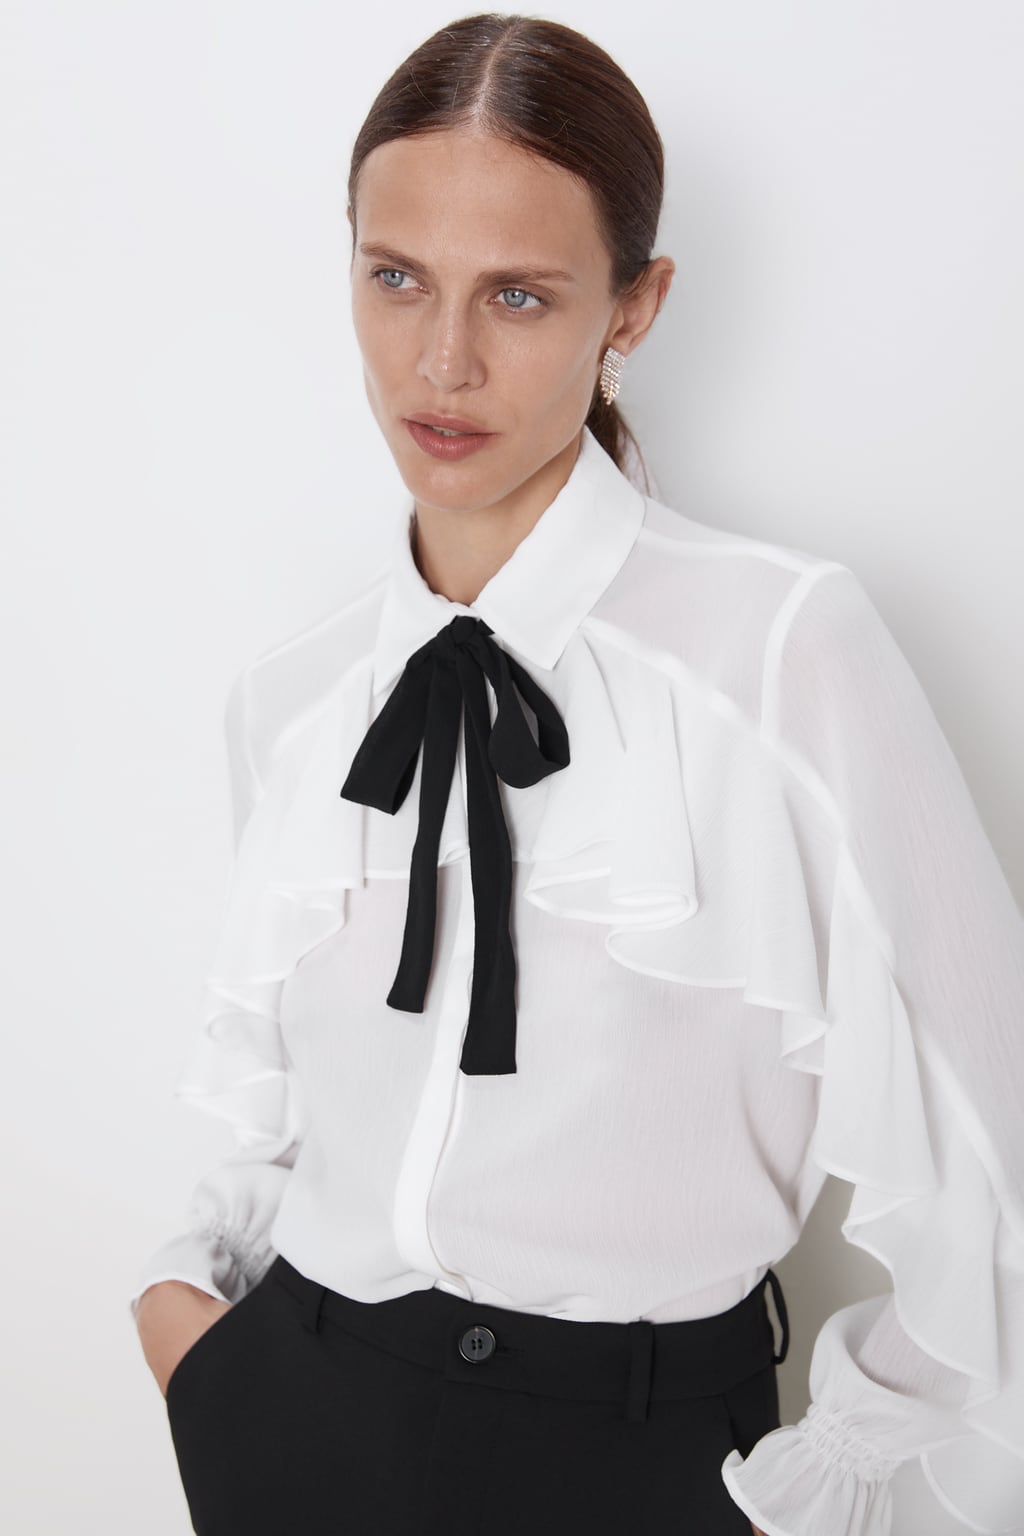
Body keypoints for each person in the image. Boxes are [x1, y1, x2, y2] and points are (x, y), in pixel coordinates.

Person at [132, 14, 1024, 1536]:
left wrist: (815, 1489)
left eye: (519, 295)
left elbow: (992, 1151)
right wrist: (192, 1342)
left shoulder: (782, 650)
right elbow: (283, 1114)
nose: (443, 361)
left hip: (640, 1458)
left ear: (635, 306)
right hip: (292, 1430)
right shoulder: (290, 703)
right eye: (395, 277)